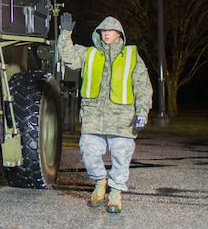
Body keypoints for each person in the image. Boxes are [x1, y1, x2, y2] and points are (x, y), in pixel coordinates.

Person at [58, 13, 153, 213]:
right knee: (88, 152)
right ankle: (100, 183)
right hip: (93, 118)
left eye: (110, 31)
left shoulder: (132, 57)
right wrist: (65, 33)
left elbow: (143, 87)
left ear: (119, 34)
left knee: (121, 157)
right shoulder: (89, 54)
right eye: (103, 31)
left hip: (122, 119)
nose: (106, 34)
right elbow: (68, 57)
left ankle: (116, 193)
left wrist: (142, 111)